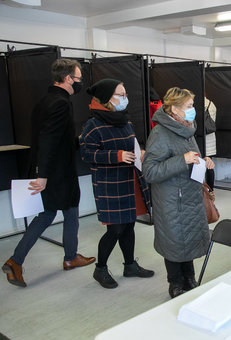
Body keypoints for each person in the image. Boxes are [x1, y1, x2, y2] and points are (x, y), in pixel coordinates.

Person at [2, 58, 95, 287]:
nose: (79, 82)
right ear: (67, 79)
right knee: (65, 210)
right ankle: (63, 258)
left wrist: (77, 140)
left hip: (51, 170)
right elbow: (48, 139)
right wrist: (42, 176)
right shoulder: (61, 103)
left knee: (52, 213)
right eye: (78, 78)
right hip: (57, 173)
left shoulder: (45, 101)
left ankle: (22, 260)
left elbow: (55, 136)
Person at [80, 78, 154, 289]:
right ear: (106, 98)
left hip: (130, 182)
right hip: (109, 185)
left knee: (129, 225)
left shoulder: (125, 121)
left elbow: (132, 144)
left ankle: (130, 265)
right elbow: (86, 154)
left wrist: (139, 152)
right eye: (120, 95)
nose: (125, 99)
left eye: (125, 95)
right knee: (115, 229)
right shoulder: (93, 125)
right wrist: (117, 155)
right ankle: (100, 269)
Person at [143, 87, 215, 298]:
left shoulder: (187, 129)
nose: (193, 110)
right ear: (174, 109)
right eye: (189, 106)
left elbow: (192, 157)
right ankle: (174, 282)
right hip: (171, 199)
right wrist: (181, 160)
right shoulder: (160, 134)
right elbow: (150, 171)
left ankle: (189, 278)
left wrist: (203, 161)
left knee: (188, 239)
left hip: (190, 195)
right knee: (174, 241)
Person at [204, 95, 217, 189]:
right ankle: (211, 190)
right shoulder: (211, 104)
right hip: (210, 140)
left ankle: (203, 190)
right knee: (209, 167)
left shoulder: (198, 105)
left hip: (201, 139)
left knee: (201, 166)